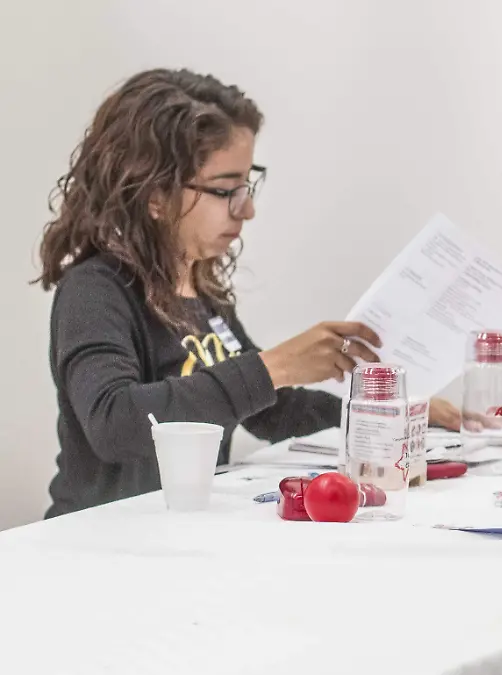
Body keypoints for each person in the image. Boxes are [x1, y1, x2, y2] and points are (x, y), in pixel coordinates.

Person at [36, 69, 462, 518]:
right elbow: (115, 422)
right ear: (155, 195)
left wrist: (384, 419)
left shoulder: (200, 291)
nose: (248, 209)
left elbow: (269, 409)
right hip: (99, 545)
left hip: (174, 536)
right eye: (225, 190)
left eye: (247, 185)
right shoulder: (93, 291)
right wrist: (272, 366)